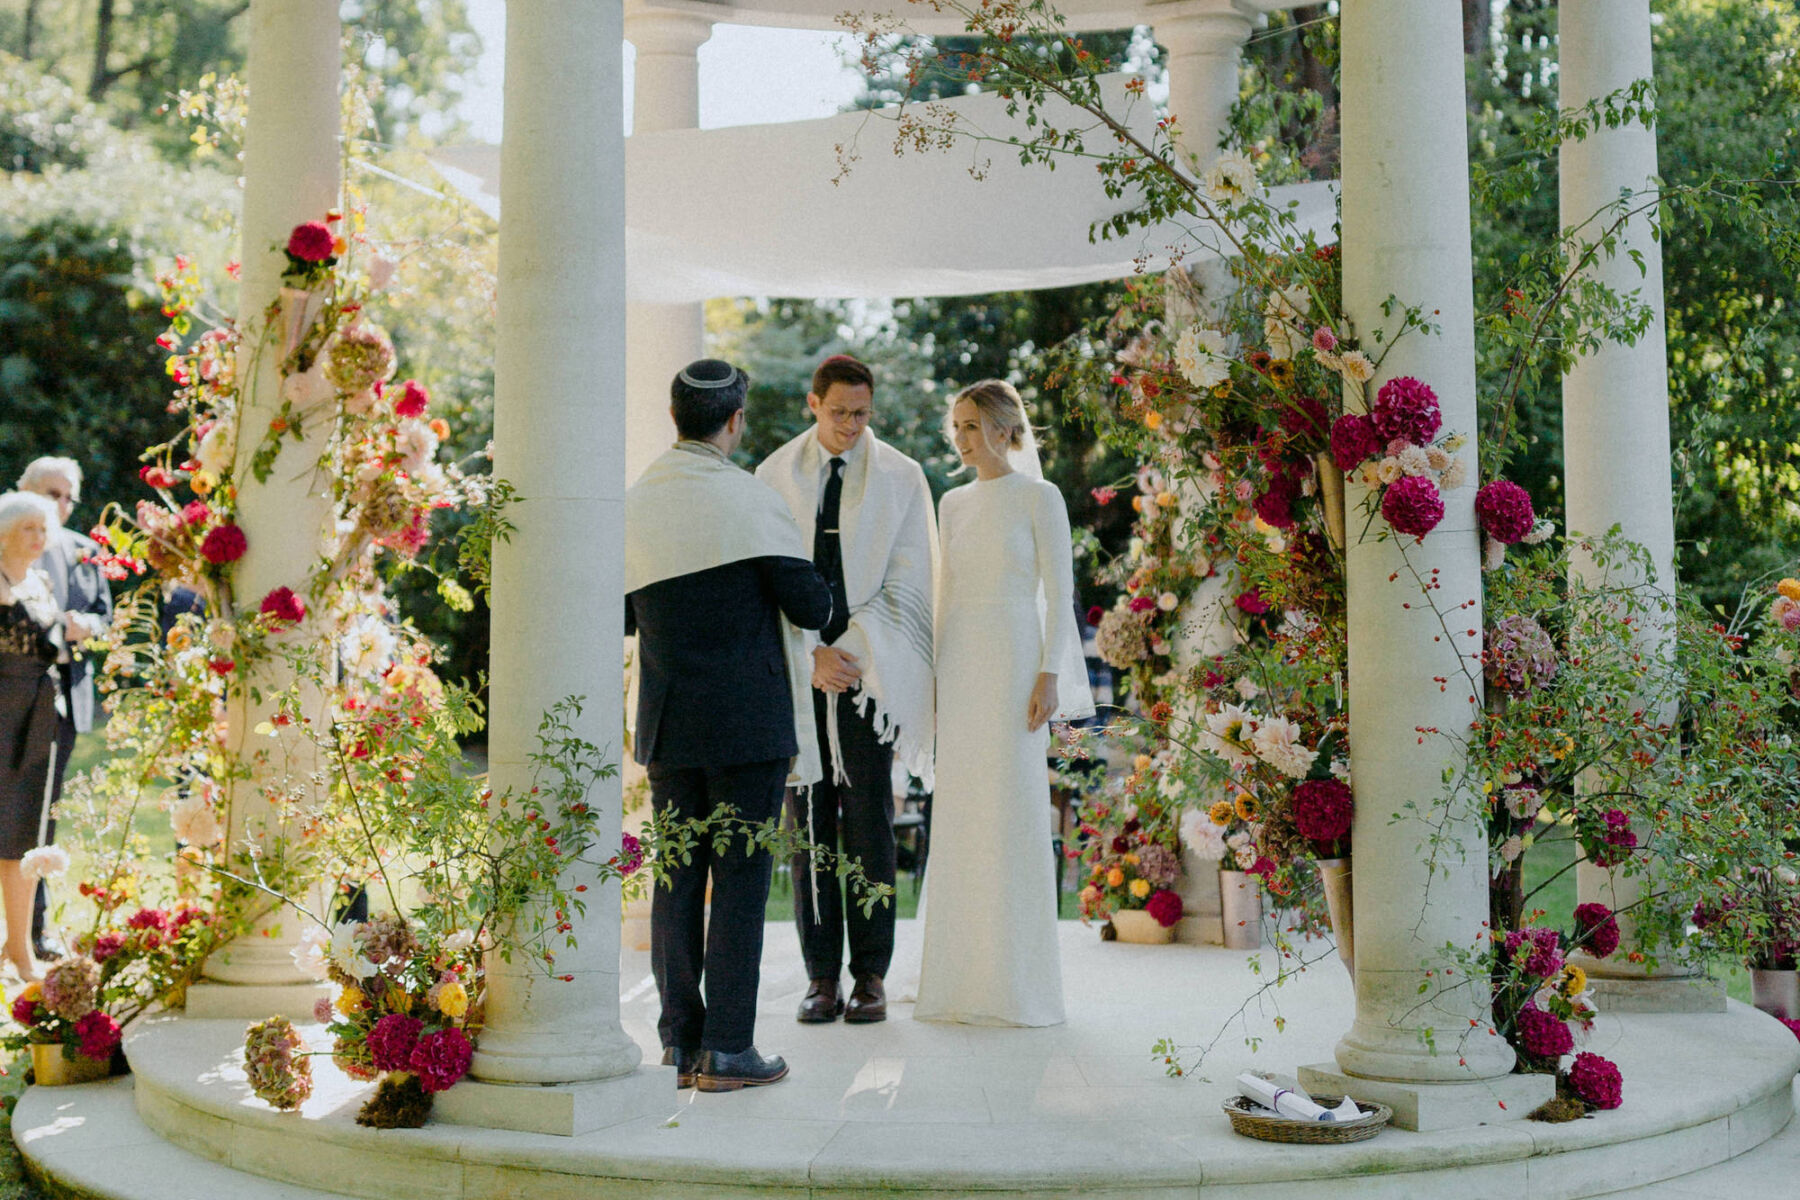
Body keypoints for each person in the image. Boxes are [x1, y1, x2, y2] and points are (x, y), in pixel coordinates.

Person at [624, 358, 834, 1093]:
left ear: (676, 417)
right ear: (735, 423)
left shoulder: (636, 501)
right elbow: (813, 608)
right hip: (747, 726)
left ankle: (681, 1044)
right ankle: (729, 1049)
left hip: (669, 722)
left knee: (677, 877)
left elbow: (621, 614)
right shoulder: (751, 501)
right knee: (741, 879)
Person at [757, 355, 937, 1026]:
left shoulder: (901, 478)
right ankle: (820, 977)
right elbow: (762, 577)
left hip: (867, 677)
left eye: (862, 414)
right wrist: (810, 657)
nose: (851, 426)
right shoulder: (774, 475)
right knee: (807, 829)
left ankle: (871, 975)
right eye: (839, 413)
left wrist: (850, 653)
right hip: (803, 676)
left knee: (869, 828)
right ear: (813, 403)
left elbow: (911, 580)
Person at [914, 380, 1093, 1027]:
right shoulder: (952, 503)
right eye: (955, 426)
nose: (959, 438)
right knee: (962, 811)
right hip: (962, 661)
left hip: (1018, 660)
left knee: (1014, 807)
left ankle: (1019, 985)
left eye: (969, 426)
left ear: (1001, 428)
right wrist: (934, 679)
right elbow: (944, 594)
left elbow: (1059, 591)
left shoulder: (1040, 498)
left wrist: (1048, 674)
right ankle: (959, 981)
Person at [18, 457, 112, 960]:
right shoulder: (7, 545)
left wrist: (87, 627)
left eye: (66, 497)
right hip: (10, 698)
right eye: (48, 493)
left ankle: (34, 932)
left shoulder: (86, 551)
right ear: (23, 492)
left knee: (40, 820)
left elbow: (105, 616)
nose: (58, 505)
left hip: (64, 704)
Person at [0, 492, 64, 981]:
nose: (39, 538)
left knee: (23, 835)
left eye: (43, 529)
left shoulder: (42, 581)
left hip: (38, 717)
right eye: (29, 529)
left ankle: (19, 948)